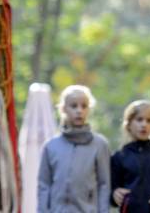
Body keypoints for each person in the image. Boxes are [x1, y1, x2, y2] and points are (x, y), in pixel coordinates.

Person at [37, 85, 111, 213]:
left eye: (84, 106)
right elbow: (44, 185)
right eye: (74, 106)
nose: (79, 111)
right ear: (64, 109)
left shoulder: (100, 144)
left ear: (89, 109)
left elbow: (104, 185)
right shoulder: (51, 146)